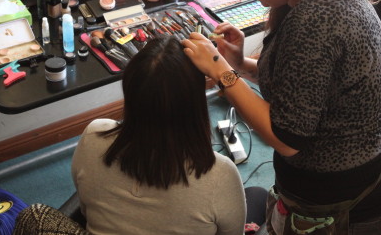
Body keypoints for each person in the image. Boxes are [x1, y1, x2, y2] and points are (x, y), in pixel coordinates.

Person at [181, 0, 381, 234]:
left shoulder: (314, 22)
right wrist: (240, 64)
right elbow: (305, 85)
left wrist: (222, 72)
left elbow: (286, 139)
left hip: (343, 200)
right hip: (362, 172)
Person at [70, 36, 250, 235]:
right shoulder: (220, 175)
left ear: (130, 90)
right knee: (256, 195)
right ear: (195, 102)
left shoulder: (93, 136)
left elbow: (86, 212)